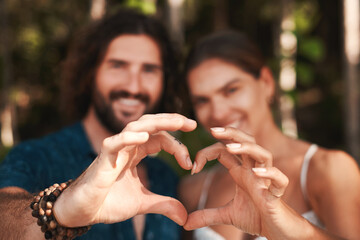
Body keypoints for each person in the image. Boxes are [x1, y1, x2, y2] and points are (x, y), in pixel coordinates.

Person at [0, 9, 196, 240]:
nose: (133, 86)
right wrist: (61, 210)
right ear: (90, 73)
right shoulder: (34, 156)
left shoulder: (166, 176)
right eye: (118, 65)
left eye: (149, 69)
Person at [179, 30, 360, 240]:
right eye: (202, 101)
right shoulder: (194, 189)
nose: (218, 112)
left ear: (266, 82)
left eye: (231, 90)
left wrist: (286, 224)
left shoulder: (328, 170)